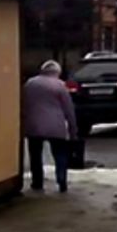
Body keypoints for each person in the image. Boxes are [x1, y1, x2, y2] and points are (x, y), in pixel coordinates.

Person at [22, 60, 78, 193]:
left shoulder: (30, 83)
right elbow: (69, 110)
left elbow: (23, 103)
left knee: (35, 155)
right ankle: (62, 181)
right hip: (56, 126)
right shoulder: (59, 85)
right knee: (59, 155)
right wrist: (73, 130)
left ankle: (37, 182)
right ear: (57, 72)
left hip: (33, 125)